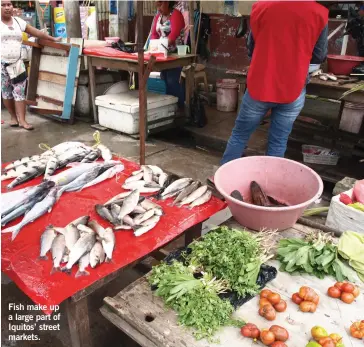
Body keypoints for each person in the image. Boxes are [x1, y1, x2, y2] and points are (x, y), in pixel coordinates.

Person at [220, 1, 329, 166]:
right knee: (278, 141)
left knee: (240, 135)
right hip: (294, 87)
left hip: (261, 83)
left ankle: (225, 179)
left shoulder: (262, 7)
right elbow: (319, 55)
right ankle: (269, 185)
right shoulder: (319, 12)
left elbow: (251, 47)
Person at [1, 0, 61, 130]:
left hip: (17, 62)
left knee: (19, 91)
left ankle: (22, 121)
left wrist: (52, 38)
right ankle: (13, 117)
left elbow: (36, 32)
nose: (7, 7)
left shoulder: (18, 22)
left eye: (9, 4)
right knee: (6, 93)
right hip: (1, 64)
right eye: (3, 5)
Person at [150, 1, 186, 107]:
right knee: (165, 78)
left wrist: (159, 46)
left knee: (171, 80)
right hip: (162, 54)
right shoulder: (158, 17)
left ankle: (180, 106)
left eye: (160, 4)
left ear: (167, 2)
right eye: (157, 5)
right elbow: (154, 34)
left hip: (176, 54)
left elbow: (173, 35)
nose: (158, 7)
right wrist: (153, 46)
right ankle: (170, 106)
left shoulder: (176, 15)